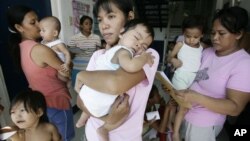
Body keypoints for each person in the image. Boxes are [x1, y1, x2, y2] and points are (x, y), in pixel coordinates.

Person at [75, 0, 159, 140]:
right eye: (100, 19)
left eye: (111, 16)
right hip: (91, 134)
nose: (104, 25)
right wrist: (109, 118)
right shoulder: (98, 56)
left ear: (130, 17)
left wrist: (82, 75)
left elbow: (114, 85)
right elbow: (80, 100)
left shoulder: (146, 55)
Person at [175, 6, 250, 141]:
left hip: (204, 125)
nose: (215, 38)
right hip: (185, 114)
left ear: (238, 34)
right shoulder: (207, 52)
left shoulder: (244, 64)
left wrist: (197, 98)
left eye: (221, 33)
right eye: (212, 32)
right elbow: (192, 76)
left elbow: (235, 108)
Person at [7, 5, 75, 141]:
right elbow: (66, 73)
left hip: (40, 102)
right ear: (19, 27)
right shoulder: (40, 49)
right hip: (56, 100)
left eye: (38, 20)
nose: (39, 25)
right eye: (33, 22)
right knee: (65, 136)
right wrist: (69, 62)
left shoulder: (20, 48)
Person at [166, 15, 205, 141]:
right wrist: (173, 59)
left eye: (196, 37)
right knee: (182, 106)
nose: (191, 40)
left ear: (202, 35)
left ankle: (172, 125)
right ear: (183, 33)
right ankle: (175, 133)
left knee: (184, 106)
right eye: (188, 36)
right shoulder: (180, 44)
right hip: (181, 77)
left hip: (194, 79)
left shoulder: (202, 47)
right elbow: (168, 58)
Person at [68, 15, 101, 87]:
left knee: (91, 88)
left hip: (91, 68)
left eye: (90, 24)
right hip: (77, 68)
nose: (89, 26)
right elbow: (70, 55)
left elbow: (98, 54)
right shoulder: (74, 38)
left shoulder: (96, 38)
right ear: (81, 25)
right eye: (86, 24)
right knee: (78, 88)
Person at [39, 16, 72, 85]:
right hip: (51, 67)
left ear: (54, 33)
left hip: (60, 68)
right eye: (40, 30)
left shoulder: (58, 44)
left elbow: (67, 53)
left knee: (62, 78)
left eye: (43, 30)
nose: (40, 33)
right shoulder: (42, 42)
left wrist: (67, 64)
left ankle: (68, 81)